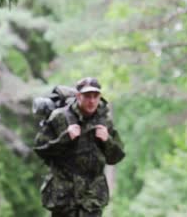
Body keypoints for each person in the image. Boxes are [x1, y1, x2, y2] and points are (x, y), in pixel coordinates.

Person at [34, 77, 125, 217]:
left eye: (95, 96)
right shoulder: (60, 117)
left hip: (92, 199)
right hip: (64, 197)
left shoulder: (104, 120)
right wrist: (65, 138)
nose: (92, 101)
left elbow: (116, 157)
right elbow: (41, 150)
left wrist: (107, 140)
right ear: (78, 96)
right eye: (87, 96)